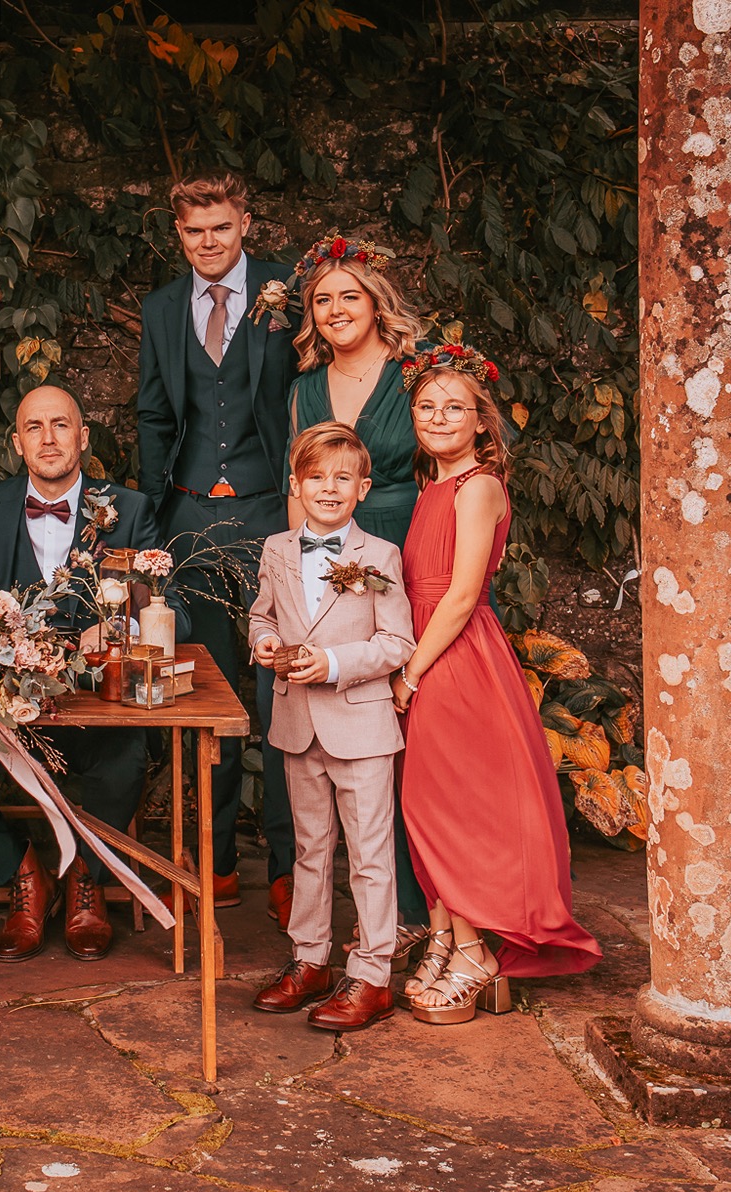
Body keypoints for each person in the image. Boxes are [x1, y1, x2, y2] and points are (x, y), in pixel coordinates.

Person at [0, 384, 187, 962]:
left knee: (128, 754)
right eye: (35, 427)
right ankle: (24, 872)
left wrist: (118, 631)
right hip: (8, 718)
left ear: (83, 437)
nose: (49, 438)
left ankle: (87, 877)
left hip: (95, 715)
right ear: (17, 443)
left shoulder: (128, 509)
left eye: (61, 425)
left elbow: (171, 607)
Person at [392, 345, 602, 1022]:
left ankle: (478, 950)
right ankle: (450, 935)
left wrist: (414, 668)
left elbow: (459, 594)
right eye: (427, 407)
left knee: (452, 804)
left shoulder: (478, 485)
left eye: (455, 407)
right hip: (429, 646)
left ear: (482, 421)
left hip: (455, 655)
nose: (439, 417)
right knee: (430, 804)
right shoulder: (431, 487)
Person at [135, 169, 298, 917]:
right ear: (179, 234)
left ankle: (289, 864)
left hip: (274, 516)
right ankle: (220, 857)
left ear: (245, 223)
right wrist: (154, 519)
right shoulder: (163, 308)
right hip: (192, 521)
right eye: (195, 231)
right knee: (212, 693)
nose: (208, 242)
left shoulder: (287, 293)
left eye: (221, 228)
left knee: (282, 690)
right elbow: (155, 418)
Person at [281, 235, 434, 946]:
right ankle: (361, 922)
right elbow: (299, 491)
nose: (337, 308)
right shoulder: (305, 388)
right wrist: (294, 585)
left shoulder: (413, 377)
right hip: (329, 573)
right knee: (344, 725)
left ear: (376, 301)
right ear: (310, 314)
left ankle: (418, 910)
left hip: (409, 553)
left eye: (350, 294)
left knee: (415, 734)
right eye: (322, 299)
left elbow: (449, 464)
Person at [247, 422, 416, 1031]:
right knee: (308, 849)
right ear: (296, 486)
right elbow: (261, 616)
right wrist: (264, 643)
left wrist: (337, 663)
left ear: (363, 488)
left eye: (343, 478)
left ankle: (372, 975)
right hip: (297, 724)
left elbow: (398, 640)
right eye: (316, 477)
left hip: (362, 726)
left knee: (370, 854)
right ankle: (310, 959)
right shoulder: (275, 551)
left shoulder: (381, 558)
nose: (328, 487)